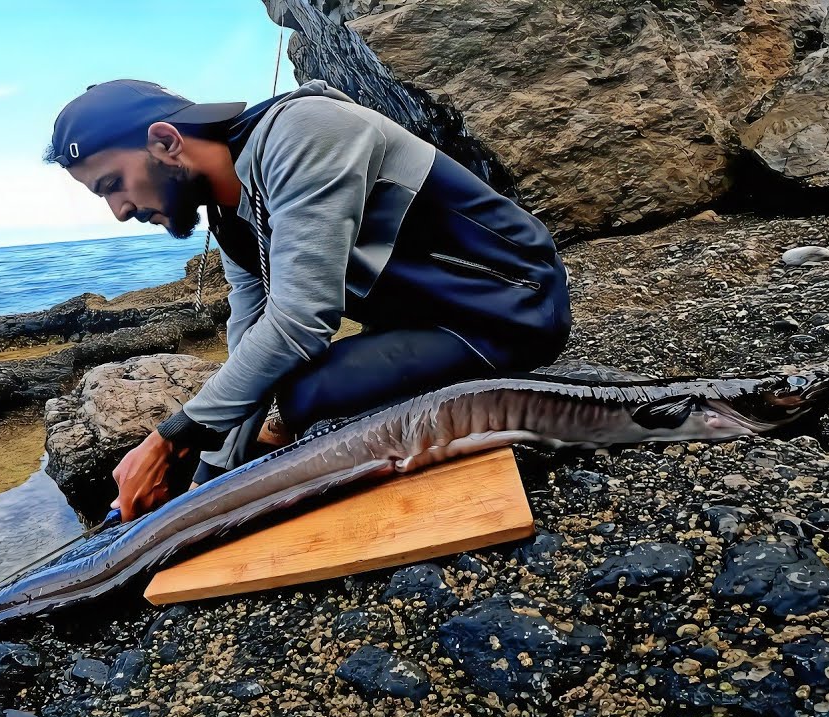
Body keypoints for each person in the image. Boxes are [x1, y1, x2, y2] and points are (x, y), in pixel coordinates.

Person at [47, 78, 571, 522]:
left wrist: (169, 438)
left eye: (113, 184)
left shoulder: (305, 133)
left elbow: (300, 321)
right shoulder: (229, 215)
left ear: (166, 141)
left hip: (511, 308)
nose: (119, 211)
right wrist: (208, 477)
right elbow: (250, 335)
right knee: (278, 391)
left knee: (305, 396)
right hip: (427, 320)